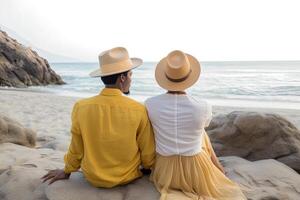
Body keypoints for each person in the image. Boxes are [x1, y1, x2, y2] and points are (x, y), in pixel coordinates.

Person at [42, 47, 155, 188]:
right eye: (131, 75)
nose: (131, 80)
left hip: (92, 177)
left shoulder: (81, 106)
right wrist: (149, 167)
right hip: (127, 177)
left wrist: (67, 170)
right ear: (122, 78)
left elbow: (76, 147)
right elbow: (148, 153)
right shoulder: (138, 109)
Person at [145, 50, 246, 200]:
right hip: (196, 169)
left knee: (196, 133)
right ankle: (218, 166)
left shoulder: (150, 104)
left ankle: (216, 166)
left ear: (165, 77)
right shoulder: (203, 106)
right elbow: (202, 128)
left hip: (165, 170)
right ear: (189, 77)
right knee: (201, 133)